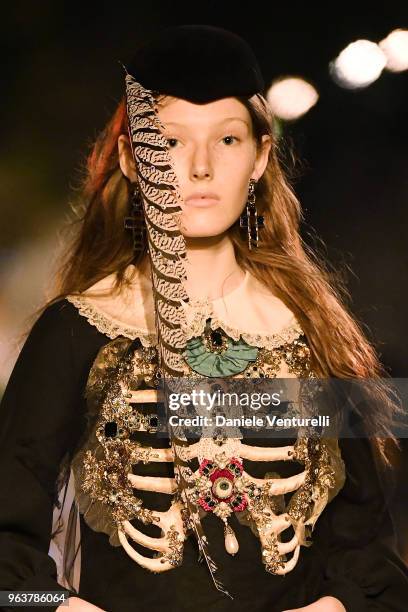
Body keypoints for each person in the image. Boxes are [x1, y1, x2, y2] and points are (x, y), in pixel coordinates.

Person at [0, 24, 408, 612]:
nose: (197, 169)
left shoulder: (314, 332)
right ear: (130, 159)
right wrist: (57, 606)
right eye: (167, 141)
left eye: (227, 140)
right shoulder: (78, 329)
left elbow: (372, 554)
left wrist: (335, 607)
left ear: (261, 156)